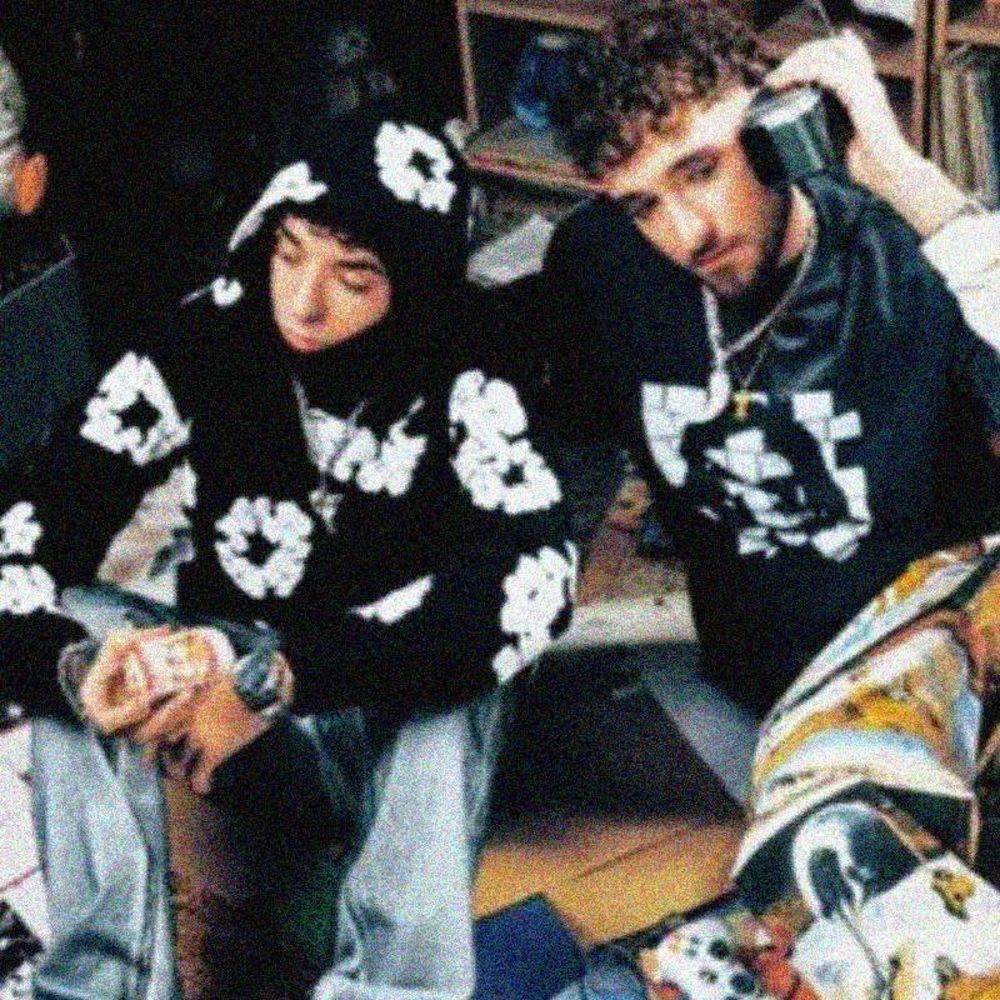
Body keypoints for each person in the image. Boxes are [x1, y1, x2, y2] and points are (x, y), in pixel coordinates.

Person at [0, 98, 574, 1000]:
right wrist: (82, 669)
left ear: (414, 282)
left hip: (374, 721)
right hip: (227, 724)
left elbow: (536, 576)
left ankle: (391, 992)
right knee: (74, 627)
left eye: (354, 277)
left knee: (458, 689)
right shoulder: (210, 332)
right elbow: (33, 523)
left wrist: (279, 681)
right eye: (289, 252)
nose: (302, 302)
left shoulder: (472, 367)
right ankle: (98, 986)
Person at [535, 0, 1000, 714]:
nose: (688, 236)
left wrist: (913, 184)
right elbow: (577, 441)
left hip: (923, 677)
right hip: (748, 682)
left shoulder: (907, 262)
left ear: (776, 122)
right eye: (643, 205)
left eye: (701, 170)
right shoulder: (598, 261)